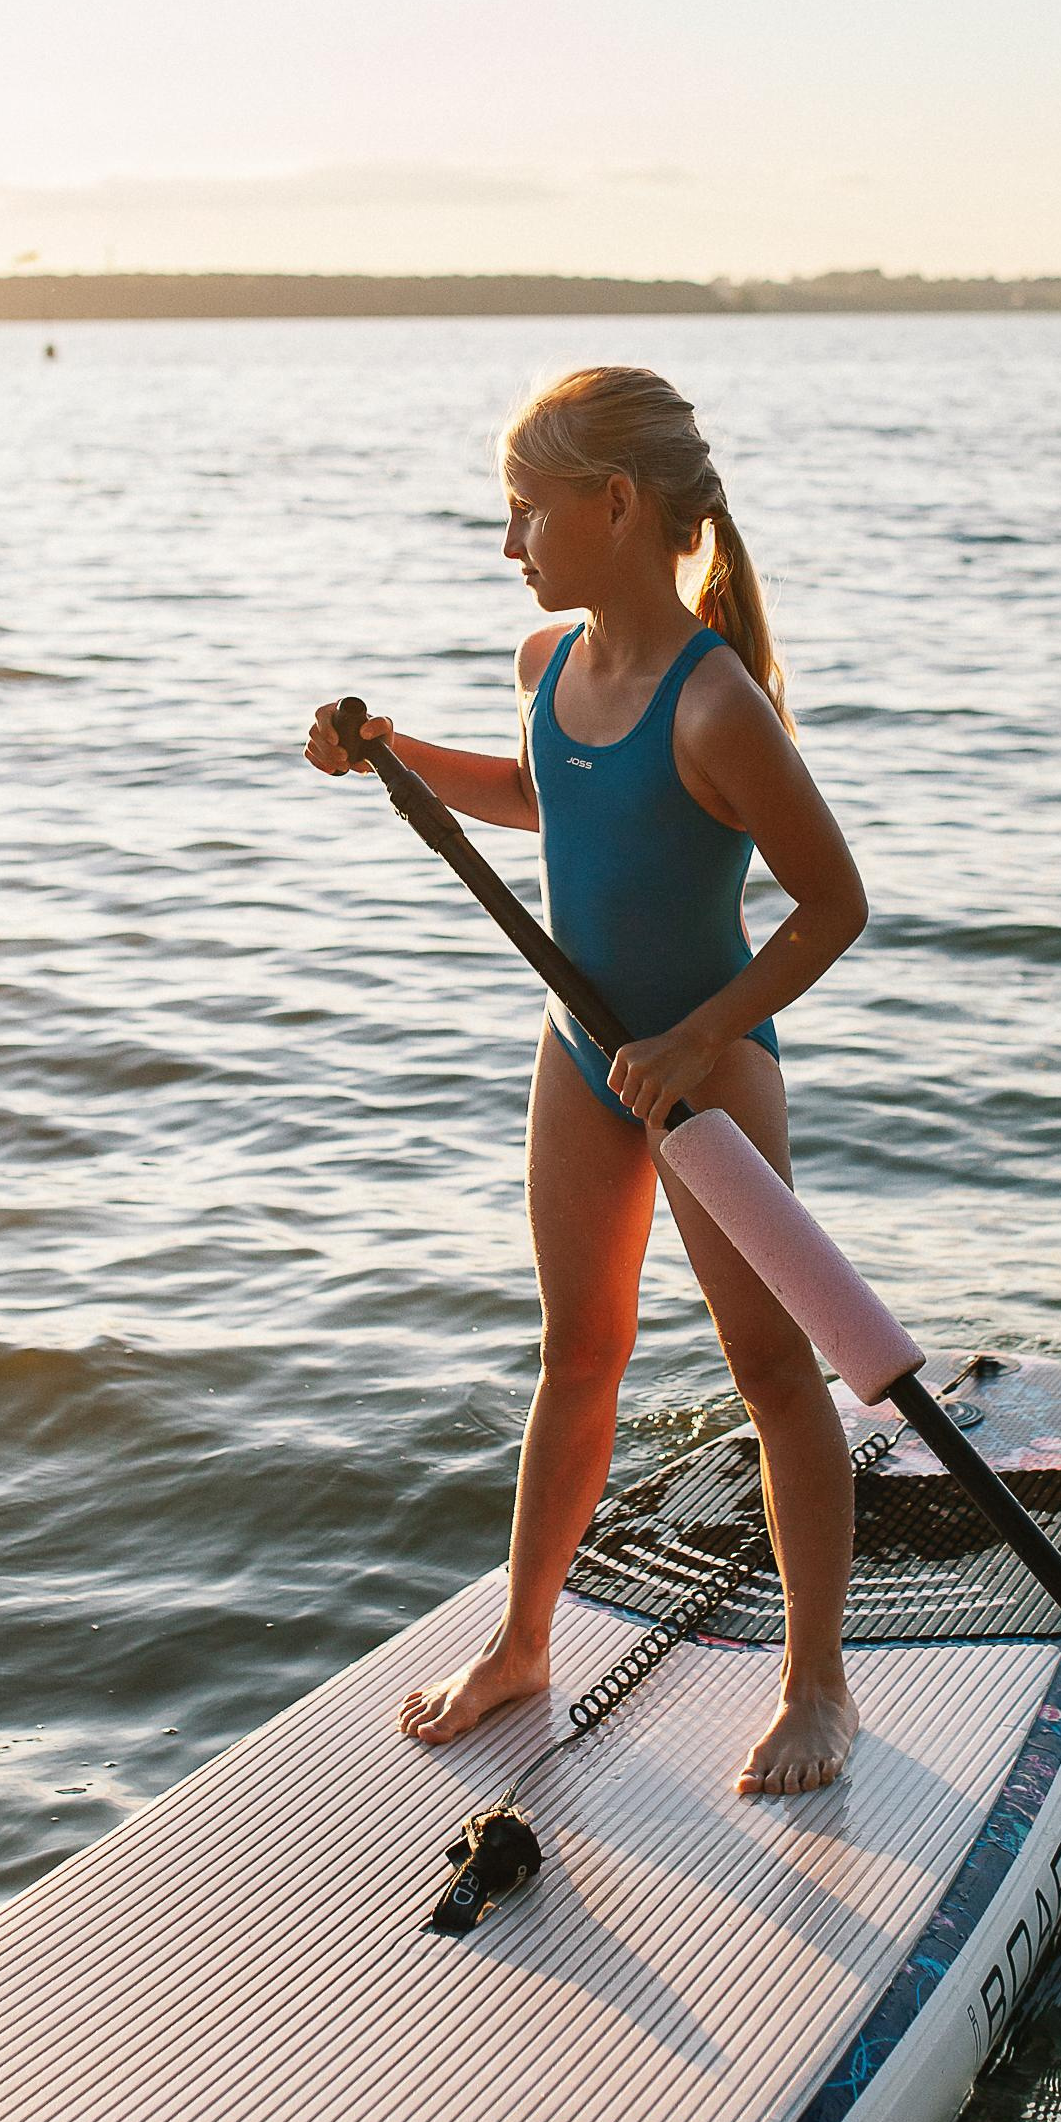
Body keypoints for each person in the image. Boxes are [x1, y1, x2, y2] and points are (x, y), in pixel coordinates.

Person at [307, 364, 869, 1793]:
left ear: (613, 506)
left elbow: (829, 905)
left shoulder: (716, 704)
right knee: (579, 1355)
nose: (509, 547)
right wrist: (389, 755)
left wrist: (700, 1037)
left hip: (709, 1071)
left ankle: (816, 1686)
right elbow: (533, 792)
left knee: (771, 1375)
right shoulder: (546, 665)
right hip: (580, 1056)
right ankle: (520, 1643)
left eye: (525, 513)